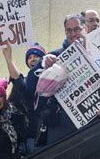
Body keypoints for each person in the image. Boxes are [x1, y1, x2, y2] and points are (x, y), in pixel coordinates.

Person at [26, 14, 86, 145]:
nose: (73, 33)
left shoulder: (94, 52)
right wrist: (42, 64)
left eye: (77, 29)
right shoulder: (55, 56)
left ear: (84, 29)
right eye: (69, 30)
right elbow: (29, 85)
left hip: (90, 124)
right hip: (61, 128)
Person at [5, 43, 46, 153]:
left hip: (54, 131)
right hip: (34, 136)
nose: (33, 59)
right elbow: (19, 82)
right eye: (29, 57)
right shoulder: (27, 82)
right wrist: (9, 60)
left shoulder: (56, 76)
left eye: (36, 56)